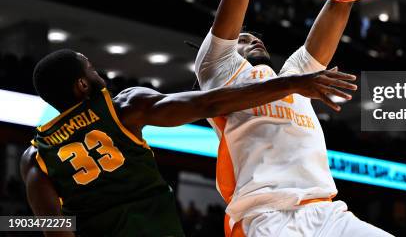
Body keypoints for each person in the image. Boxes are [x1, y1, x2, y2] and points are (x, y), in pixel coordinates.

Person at [195, 0, 393, 237]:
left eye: (255, 36)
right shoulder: (219, 70)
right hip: (266, 215)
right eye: (243, 37)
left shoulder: (299, 76)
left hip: (326, 213)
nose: (252, 37)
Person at [21, 49, 356, 237]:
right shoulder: (123, 107)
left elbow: (55, 229)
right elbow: (209, 104)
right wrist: (292, 84)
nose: (100, 76)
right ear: (82, 85)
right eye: (92, 68)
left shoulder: (35, 156)